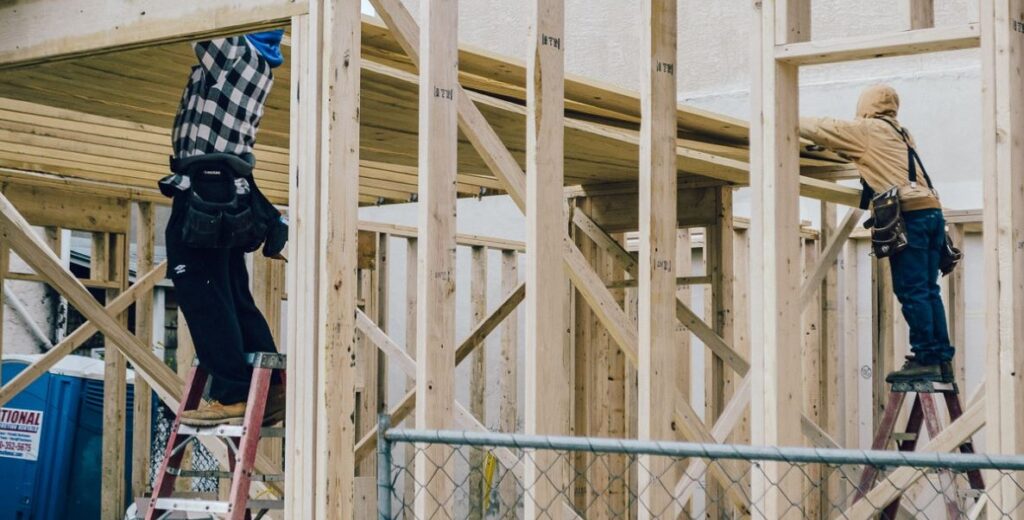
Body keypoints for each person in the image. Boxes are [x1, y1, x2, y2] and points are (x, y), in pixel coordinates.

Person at [160, 31, 288, 426]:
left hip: (205, 191)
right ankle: (271, 388)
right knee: (230, 291)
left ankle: (232, 391)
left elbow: (200, 20)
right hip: (221, 190)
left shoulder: (236, 52)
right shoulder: (258, 62)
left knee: (202, 292)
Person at [800, 84, 954, 384]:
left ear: (865, 106)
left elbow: (823, 127)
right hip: (932, 212)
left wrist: (782, 114)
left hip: (910, 215)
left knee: (911, 290)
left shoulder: (867, 129)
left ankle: (925, 357)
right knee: (927, 290)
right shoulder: (901, 133)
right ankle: (939, 357)